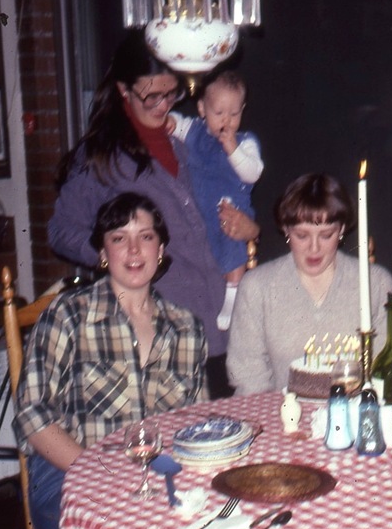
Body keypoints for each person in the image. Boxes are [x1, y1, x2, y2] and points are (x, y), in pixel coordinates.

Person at [48, 29, 259, 399]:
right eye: (151, 96)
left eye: (171, 93)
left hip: (222, 321)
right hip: (161, 330)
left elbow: (233, 192)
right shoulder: (101, 158)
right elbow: (61, 231)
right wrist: (111, 254)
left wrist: (249, 229)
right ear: (123, 90)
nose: (163, 105)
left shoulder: (191, 139)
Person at [14, 193, 206, 529]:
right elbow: (32, 414)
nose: (134, 250)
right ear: (103, 253)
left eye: (145, 237)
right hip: (69, 474)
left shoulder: (187, 328)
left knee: (212, 521)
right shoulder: (68, 315)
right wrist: (99, 471)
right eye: (119, 238)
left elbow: (197, 424)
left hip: (155, 475)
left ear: (160, 249)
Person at [226, 173, 392, 395]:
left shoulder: (376, 284)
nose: (314, 248)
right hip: (280, 413)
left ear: (341, 230)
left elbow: (383, 372)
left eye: (326, 235)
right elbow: (248, 377)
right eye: (302, 235)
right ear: (286, 230)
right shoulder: (258, 287)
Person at [169, 70, 263, 331]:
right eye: (219, 112)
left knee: (232, 247)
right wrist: (171, 122)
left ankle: (233, 295)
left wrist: (233, 149)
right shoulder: (195, 132)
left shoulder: (245, 142)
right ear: (202, 109)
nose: (227, 120)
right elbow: (179, 124)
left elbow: (253, 172)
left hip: (230, 209)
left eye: (234, 114)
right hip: (200, 210)